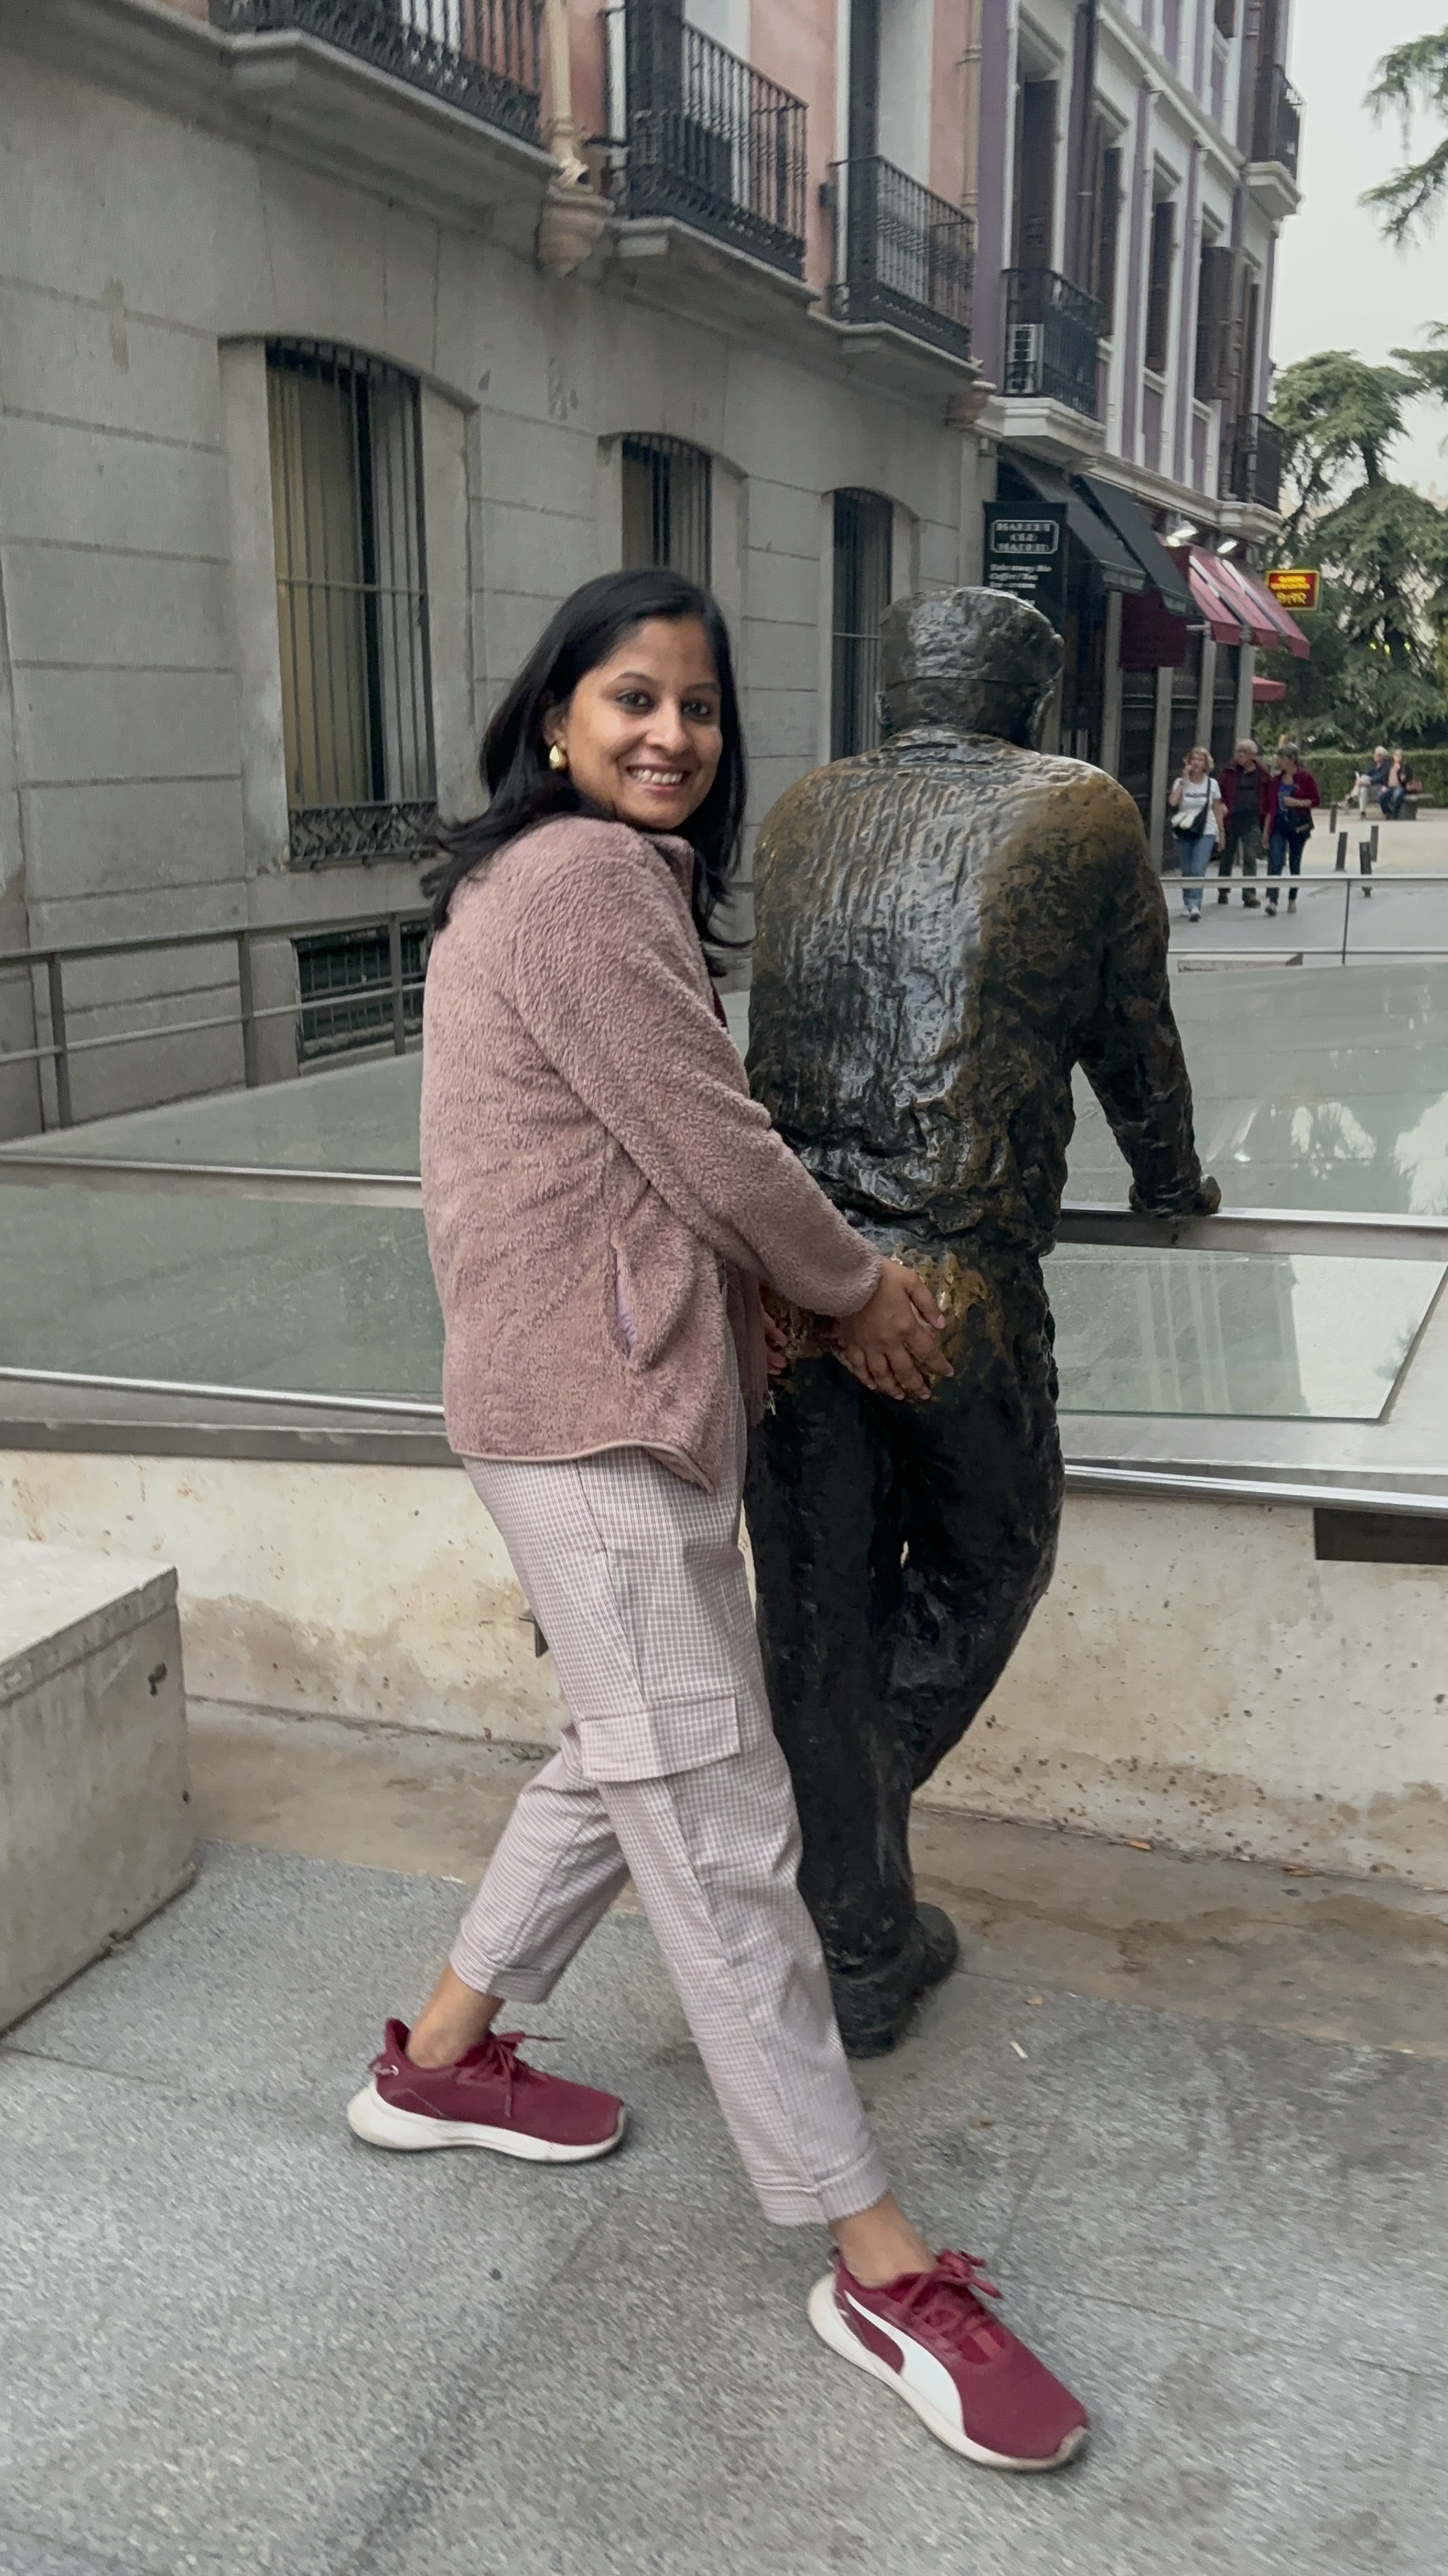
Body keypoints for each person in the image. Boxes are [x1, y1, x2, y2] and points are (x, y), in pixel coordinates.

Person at [344, 569, 1089, 2474]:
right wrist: (855, 1290)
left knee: (633, 1750)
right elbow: (712, 1137)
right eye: (631, 698)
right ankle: (874, 2260)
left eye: (697, 704)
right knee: (724, 1821)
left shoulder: (538, 880)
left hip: (571, 1396)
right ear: (556, 716)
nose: (671, 733)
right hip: (588, 1416)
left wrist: (739, 1295)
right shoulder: (591, 880)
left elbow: (627, 1150)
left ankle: (437, 2059)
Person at [746, 587, 1219, 2056]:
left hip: (785, 1281)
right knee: (994, 1556)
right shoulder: (1078, 810)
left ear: (895, 687)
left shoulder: (805, 810)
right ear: (1029, 693)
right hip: (947, 1279)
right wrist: (1171, 1181)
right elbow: (1131, 1035)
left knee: (817, 1614)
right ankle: (852, 1881)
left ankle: (849, 1915)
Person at [1166, 745, 1226, 918]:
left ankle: (1194, 905)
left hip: (1205, 829)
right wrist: (1184, 780)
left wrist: (1221, 833)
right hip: (1184, 828)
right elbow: (1173, 802)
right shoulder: (1180, 782)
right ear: (1189, 761)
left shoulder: (1212, 784)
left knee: (1198, 869)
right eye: (1194, 759)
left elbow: (1217, 809)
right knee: (1187, 870)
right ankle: (1187, 902)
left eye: (1201, 760)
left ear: (1206, 764)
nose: (1197, 763)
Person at [1264, 741, 1319, 913]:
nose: (1278, 761)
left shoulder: (1306, 778)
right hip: (1279, 825)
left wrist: (1297, 803)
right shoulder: (1276, 781)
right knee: (1276, 861)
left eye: (1281, 758)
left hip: (1298, 826)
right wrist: (1266, 832)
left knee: (1295, 862)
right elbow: (1270, 807)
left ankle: (1292, 898)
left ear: (1292, 759)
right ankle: (1273, 901)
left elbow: (1316, 800)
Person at [1214, 739, 1269, 905]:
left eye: (1244, 752)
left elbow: (1267, 796)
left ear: (1253, 755)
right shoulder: (1229, 772)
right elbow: (1219, 793)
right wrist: (1222, 807)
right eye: (1239, 751)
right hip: (1231, 820)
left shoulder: (1262, 774)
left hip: (1252, 820)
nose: (1240, 755)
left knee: (1250, 857)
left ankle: (1249, 895)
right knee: (1227, 856)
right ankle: (1223, 890)